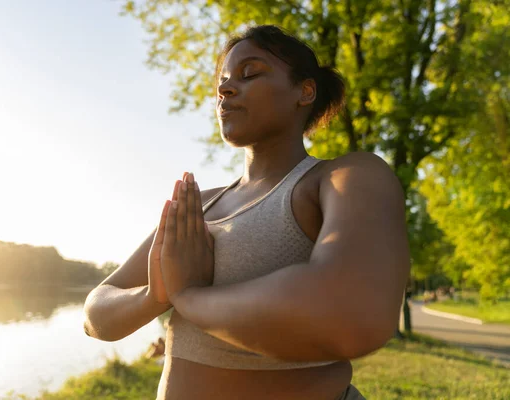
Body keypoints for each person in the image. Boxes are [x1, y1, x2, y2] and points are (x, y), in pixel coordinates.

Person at [83, 24, 410, 400]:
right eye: (222, 80)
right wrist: (156, 296)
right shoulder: (198, 204)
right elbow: (96, 314)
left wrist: (188, 296)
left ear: (305, 91)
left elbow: (354, 312)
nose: (224, 89)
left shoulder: (341, 178)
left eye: (250, 73)